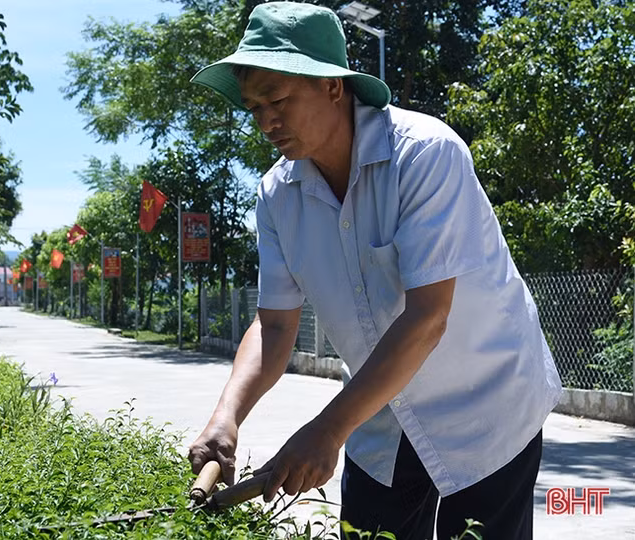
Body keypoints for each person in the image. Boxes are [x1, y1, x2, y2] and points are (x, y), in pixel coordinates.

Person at [187, 3, 562, 539]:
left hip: (486, 399)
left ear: (333, 86)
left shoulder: (425, 155)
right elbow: (274, 325)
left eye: (278, 100)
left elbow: (428, 317)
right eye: (253, 106)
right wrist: (228, 416)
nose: (266, 121)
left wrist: (328, 430)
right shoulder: (276, 196)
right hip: (380, 410)